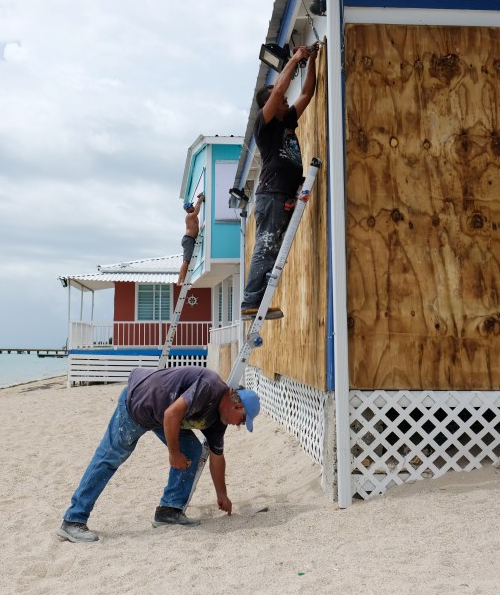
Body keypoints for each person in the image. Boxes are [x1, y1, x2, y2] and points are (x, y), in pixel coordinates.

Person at [57, 365, 261, 543]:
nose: (239, 425)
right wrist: (174, 454)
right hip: (137, 403)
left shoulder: (219, 421)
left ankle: (169, 511)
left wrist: (222, 495)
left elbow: (217, 458)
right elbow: (171, 414)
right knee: (110, 458)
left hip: (161, 416)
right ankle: (73, 520)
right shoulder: (210, 386)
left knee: (191, 449)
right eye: (242, 420)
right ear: (237, 405)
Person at [241, 43, 318, 319]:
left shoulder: (288, 121)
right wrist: (296, 58)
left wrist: (313, 60)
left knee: (272, 251)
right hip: (271, 195)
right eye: (280, 100)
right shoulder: (266, 125)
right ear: (269, 106)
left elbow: (308, 92)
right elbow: (280, 90)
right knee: (267, 245)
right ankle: (250, 302)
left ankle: (257, 303)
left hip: (283, 195)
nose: (286, 101)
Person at [177, 192, 204, 286]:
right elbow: (196, 210)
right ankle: (181, 281)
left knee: (187, 261)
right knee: (186, 261)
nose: (193, 207)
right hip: (188, 239)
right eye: (191, 206)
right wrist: (200, 199)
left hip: (190, 239)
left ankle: (180, 280)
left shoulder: (193, 216)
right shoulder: (190, 216)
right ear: (188, 209)